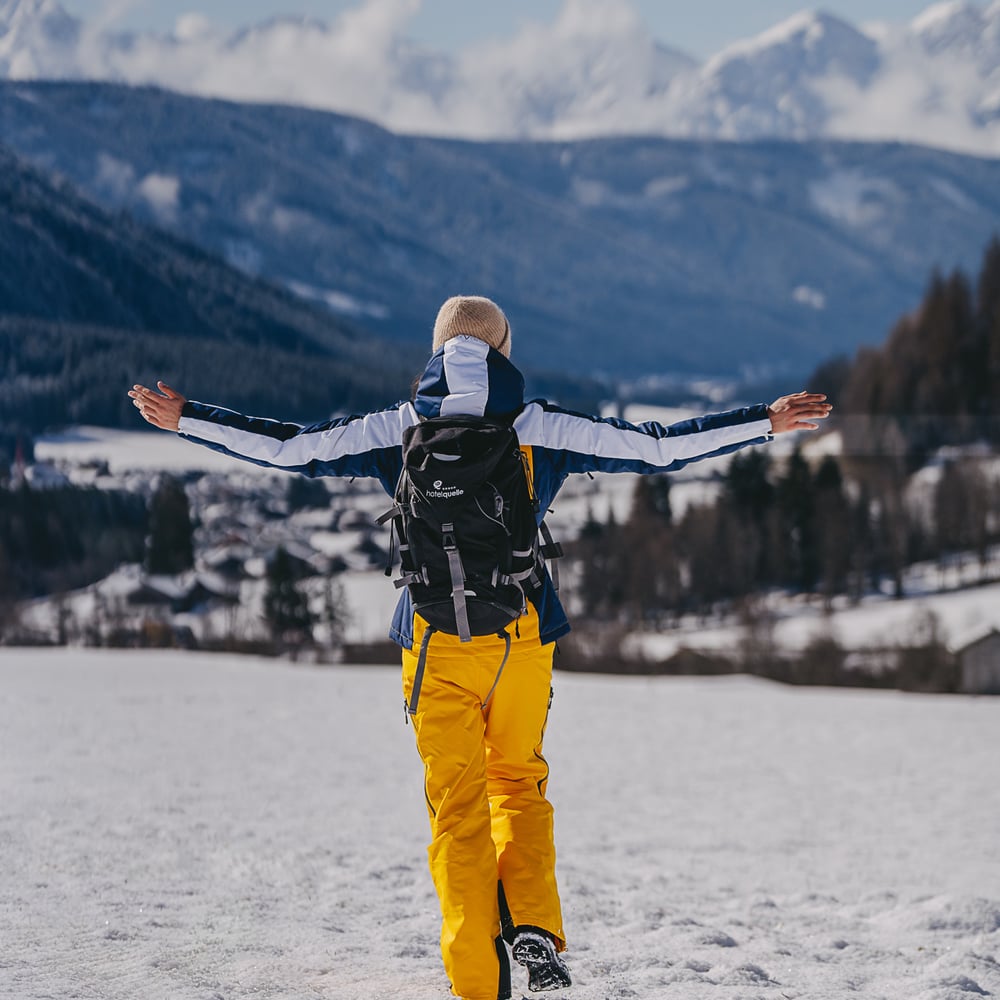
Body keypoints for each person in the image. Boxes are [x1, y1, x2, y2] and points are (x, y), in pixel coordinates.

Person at [129, 295, 831, 1000]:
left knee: (458, 814)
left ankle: (478, 982)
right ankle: (531, 923)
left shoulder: (398, 427)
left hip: (436, 647)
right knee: (519, 784)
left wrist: (188, 418)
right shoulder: (537, 425)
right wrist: (763, 422)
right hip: (521, 641)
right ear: (503, 351)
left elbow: (289, 448)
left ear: (436, 352)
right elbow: (656, 447)